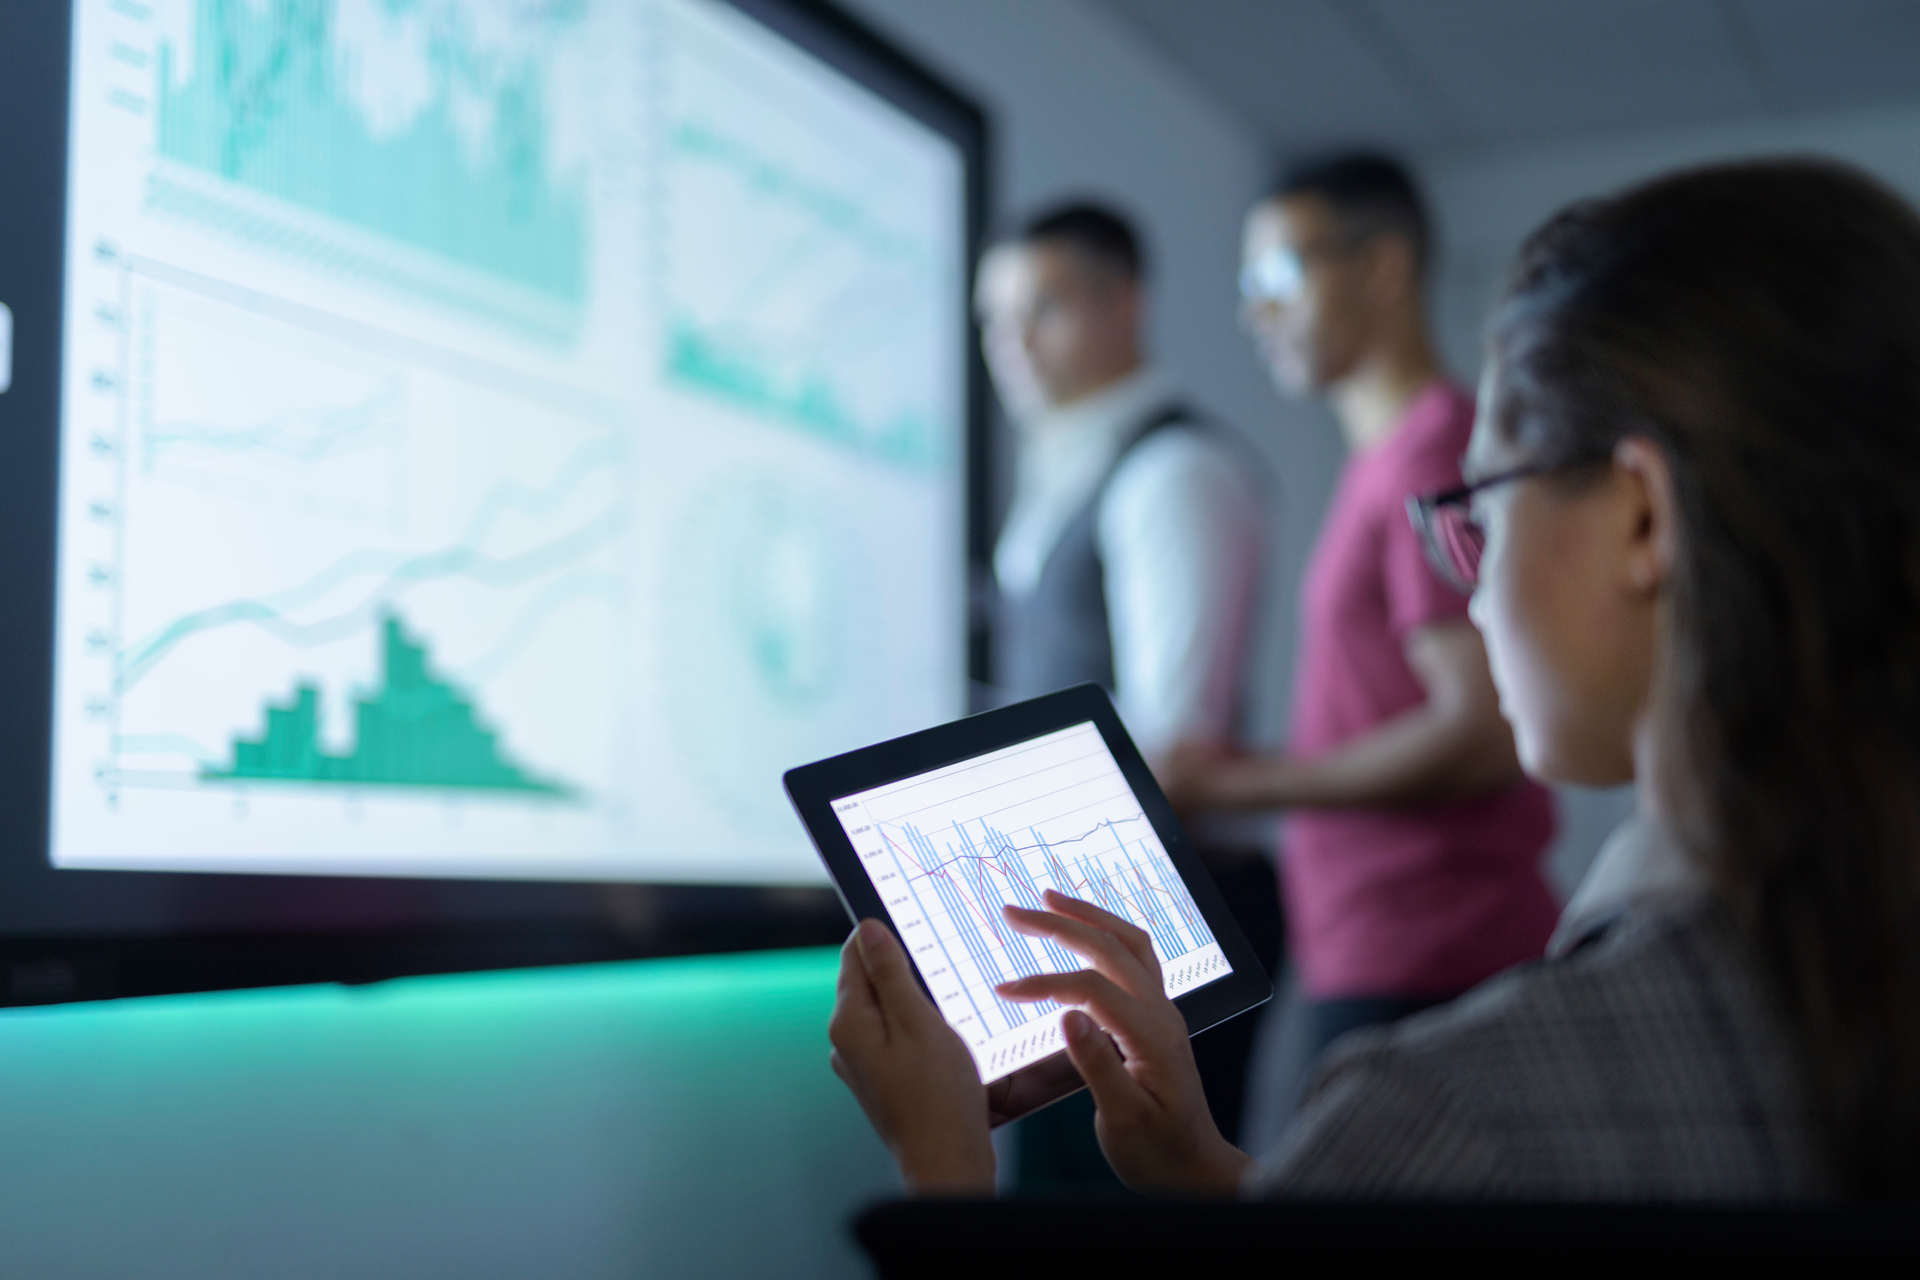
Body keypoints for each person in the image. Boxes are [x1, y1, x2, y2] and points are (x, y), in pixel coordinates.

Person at [828, 158, 1920, 1199]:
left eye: (1482, 508)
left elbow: (1466, 736)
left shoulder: (1448, 1106)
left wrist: (943, 1164)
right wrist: (1208, 1168)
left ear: (1641, 516)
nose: (1476, 588)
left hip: (1412, 931)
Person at [1158, 155, 1557, 1069]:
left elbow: (1483, 730)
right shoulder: (1387, 458)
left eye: (1281, 278)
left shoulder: (1431, 456)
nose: (1256, 313)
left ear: (1381, 269)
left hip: (1431, 948)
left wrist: (1231, 785)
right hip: (1377, 942)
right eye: (1246, 286)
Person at [973, 203, 1274, 1185]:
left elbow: (1174, 742)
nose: (1011, 342)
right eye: (993, 317)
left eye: (1044, 307)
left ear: (1124, 305)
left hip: (1157, 924)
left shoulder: (1174, 470)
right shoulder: (1067, 469)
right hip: (1092, 918)